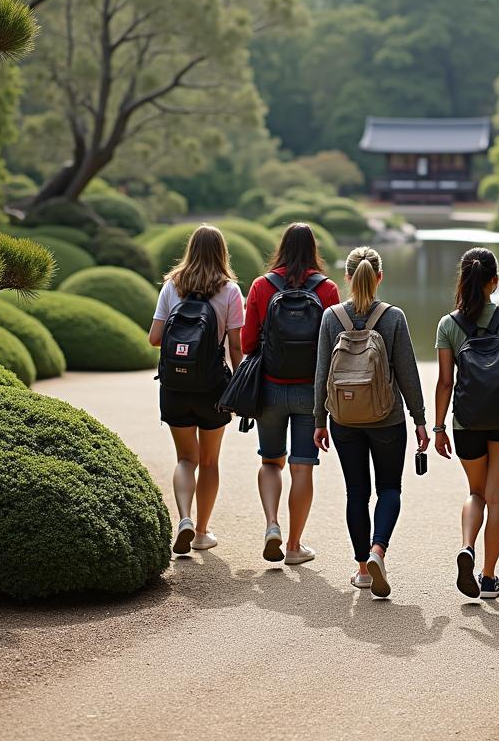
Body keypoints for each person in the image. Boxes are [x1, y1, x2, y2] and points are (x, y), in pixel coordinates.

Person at [313, 246, 429, 598]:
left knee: (356, 494)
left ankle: (363, 569)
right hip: (387, 418)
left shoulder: (332, 317)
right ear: (380, 276)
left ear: (347, 276)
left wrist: (320, 420)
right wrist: (420, 419)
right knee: (389, 488)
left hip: (344, 418)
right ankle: (379, 550)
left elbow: (321, 374)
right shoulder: (393, 317)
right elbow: (408, 374)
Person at [433, 247, 499, 600]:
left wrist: (439, 426)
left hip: (467, 422)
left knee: (476, 493)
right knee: (497, 497)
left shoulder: (449, 323)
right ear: (495, 281)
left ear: (463, 279)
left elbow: (446, 382)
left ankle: (467, 546)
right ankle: (489, 578)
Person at [242, 223, 340, 566]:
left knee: (271, 461)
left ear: (281, 248)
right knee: (302, 468)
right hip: (310, 392)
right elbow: (335, 348)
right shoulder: (327, 290)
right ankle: (295, 546)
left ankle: (272, 525)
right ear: (314, 249)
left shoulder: (260, 286)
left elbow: (247, 343)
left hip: (269, 387)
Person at [149, 224, 244, 555]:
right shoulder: (229, 291)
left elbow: (154, 338)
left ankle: (185, 519)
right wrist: (239, 385)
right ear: (222, 252)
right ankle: (202, 532)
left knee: (185, 459)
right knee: (210, 460)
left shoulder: (172, 286)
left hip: (174, 385)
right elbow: (235, 346)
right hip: (212, 388)